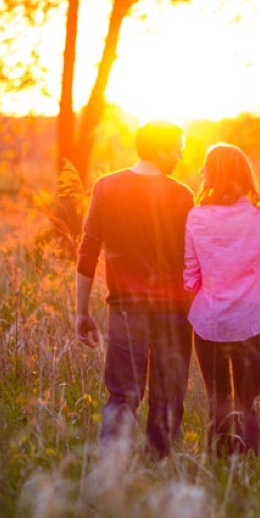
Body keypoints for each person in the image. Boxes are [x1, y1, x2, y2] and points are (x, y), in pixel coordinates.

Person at [76, 120, 194, 459]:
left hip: (126, 307)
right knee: (168, 395)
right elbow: (193, 257)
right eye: (176, 149)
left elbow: (87, 251)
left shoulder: (107, 187)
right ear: (159, 149)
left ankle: (112, 469)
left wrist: (82, 312)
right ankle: (160, 465)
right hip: (173, 311)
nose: (180, 156)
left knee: (122, 394)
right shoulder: (181, 195)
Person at [183, 143, 260, 458]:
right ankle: (248, 469)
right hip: (251, 324)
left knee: (218, 402)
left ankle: (219, 466)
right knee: (248, 404)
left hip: (209, 323)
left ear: (213, 174)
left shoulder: (196, 217)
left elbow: (190, 277)